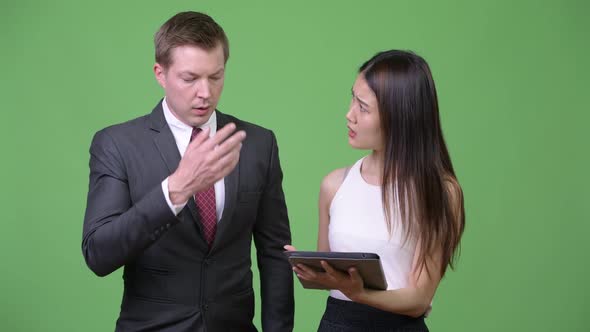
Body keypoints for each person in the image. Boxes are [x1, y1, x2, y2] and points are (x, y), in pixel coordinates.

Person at [82, 11, 294, 332]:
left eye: (216, 76)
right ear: (160, 73)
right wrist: (175, 190)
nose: (205, 93)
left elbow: (275, 253)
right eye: (190, 78)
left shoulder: (258, 144)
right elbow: (99, 254)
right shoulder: (116, 144)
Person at [285, 50, 465, 331]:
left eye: (363, 107)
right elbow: (329, 271)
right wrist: (312, 272)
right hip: (337, 324)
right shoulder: (334, 185)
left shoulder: (440, 192)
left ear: (400, 117)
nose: (349, 114)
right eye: (352, 99)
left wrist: (361, 294)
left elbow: (419, 299)